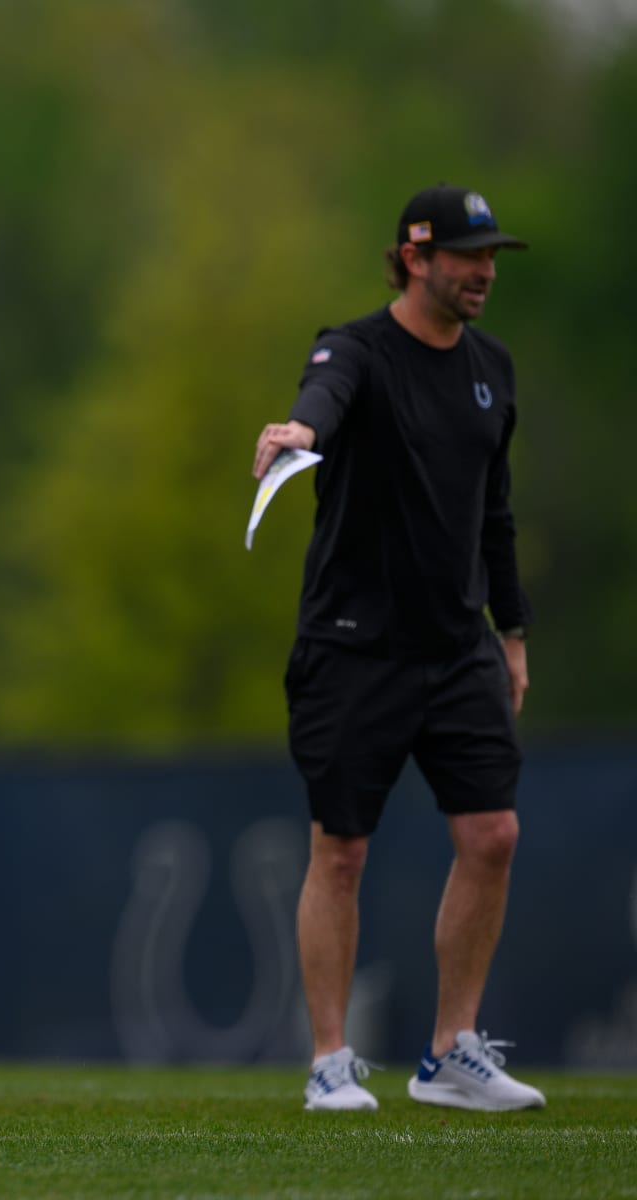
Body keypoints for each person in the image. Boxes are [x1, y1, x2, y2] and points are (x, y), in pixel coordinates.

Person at [253, 184, 545, 1113]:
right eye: (469, 257)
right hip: (354, 646)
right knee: (341, 852)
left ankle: (451, 1052)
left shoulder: (492, 367)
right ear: (415, 257)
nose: (485, 272)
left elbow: (493, 516)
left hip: (458, 644)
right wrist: (300, 432)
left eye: (493, 257)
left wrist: (512, 632)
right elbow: (323, 395)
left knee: (492, 834)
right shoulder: (356, 349)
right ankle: (330, 1061)